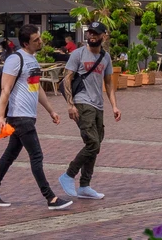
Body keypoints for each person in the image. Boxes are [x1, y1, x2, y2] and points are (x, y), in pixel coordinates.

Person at [0, 25, 71, 211]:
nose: (40, 41)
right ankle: (51, 198)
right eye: (36, 40)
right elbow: (6, 90)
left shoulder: (32, 59)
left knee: (10, 155)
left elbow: (36, 87)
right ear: (25, 43)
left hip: (29, 115)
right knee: (36, 156)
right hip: (19, 115)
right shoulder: (15, 60)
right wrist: (0, 117)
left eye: (39, 38)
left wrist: (51, 110)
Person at [58, 21, 120, 200]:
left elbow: (108, 83)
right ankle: (69, 175)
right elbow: (67, 79)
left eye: (96, 33)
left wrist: (114, 106)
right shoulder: (78, 54)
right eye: (90, 33)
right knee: (92, 143)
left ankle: (85, 185)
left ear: (103, 36)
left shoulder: (105, 57)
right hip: (82, 102)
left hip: (98, 104)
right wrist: (70, 105)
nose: (92, 36)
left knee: (95, 145)